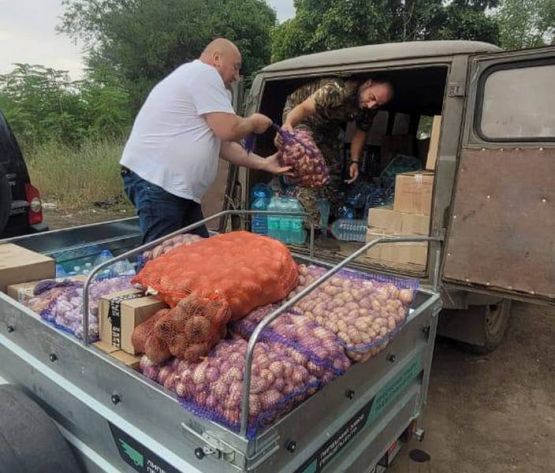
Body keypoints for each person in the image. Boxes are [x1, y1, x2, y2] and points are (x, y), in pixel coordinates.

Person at [121, 38, 290, 243]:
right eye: (235, 68)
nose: (237, 76)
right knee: (160, 260)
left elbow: (225, 145)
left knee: (199, 258)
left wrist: (264, 163)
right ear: (217, 58)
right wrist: (253, 123)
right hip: (159, 183)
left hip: (177, 190)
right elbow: (230, 130)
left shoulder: (198, 79)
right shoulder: (204, 74)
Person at [280, 77, 394, 247]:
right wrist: (288, 125)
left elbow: (361, 133)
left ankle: (331, 221)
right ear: (367, 83)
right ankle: (314, 231)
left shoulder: (369, 108)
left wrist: (354, 161)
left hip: (326, 126)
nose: (371, 105)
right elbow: (303, 108)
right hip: (300, 116)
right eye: (371, 98)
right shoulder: (337, 91)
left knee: (333, 168)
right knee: (308, 164)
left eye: (377, 104)